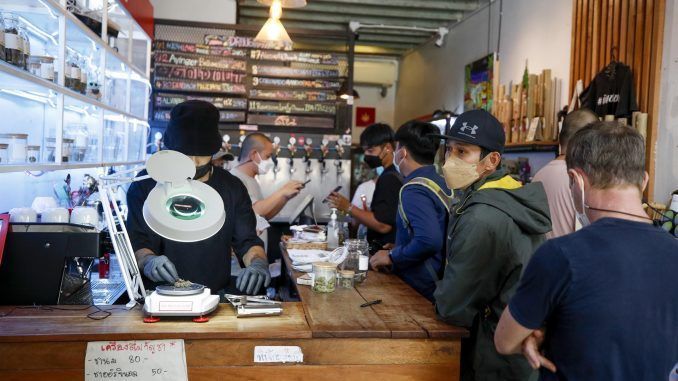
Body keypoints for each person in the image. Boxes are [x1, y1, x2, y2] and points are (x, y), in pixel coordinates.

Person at [494, 122, 678, 381]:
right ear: (644, 180)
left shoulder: (560, 256)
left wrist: (540, 334)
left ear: (576, 181)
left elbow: (504, 341)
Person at [432, 109, 551, 381]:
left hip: (495, 354)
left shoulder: (482, 216)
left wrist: (439, 296)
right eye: (449, 150)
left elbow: (453, 306)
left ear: (492, 160)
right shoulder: (511, 193)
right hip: (519, 348)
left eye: (462, 152)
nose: (451, 160)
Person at [126, 100, 270, 295]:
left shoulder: (232, 187)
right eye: (185, 155)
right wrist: (149, 261)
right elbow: (138, 242)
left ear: (213, 150)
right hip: (158, 296)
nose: (193, 163)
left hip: (214, 297)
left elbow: (248, 242)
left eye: (201, 155)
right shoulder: (145, 184)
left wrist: (258, 264)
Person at [370, 121, 451, 302]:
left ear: (403, 152)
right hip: (441, 280)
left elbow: (429, 240)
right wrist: (402, 245)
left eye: (397, 147)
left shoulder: (414, 188)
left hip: (422, 287)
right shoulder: (440, 181)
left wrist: (392, 256)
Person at [328, 123, 403, 250]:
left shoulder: (389, 178)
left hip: (383, 253)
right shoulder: (387, 175)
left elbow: (383, 225)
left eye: (370, 150)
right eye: (365, 151)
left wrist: (348, 206)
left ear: (388, 148)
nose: (366, 156)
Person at [532, 109, 598, 238]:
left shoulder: (538, 175)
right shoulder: (581, 179)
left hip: (541, 256)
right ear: (590, 143)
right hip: (570, 256)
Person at [230, 133, 304, 221]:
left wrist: (285, 198)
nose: (270, 162)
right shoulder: (235, 179)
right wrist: (283, 191)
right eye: (267, 156)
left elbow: (264, 216)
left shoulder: (251, 179)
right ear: (253, 154)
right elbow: (254, 210)